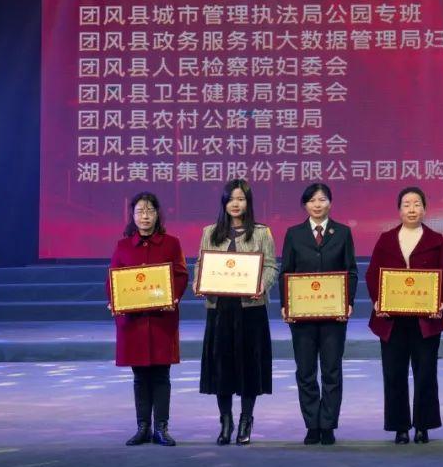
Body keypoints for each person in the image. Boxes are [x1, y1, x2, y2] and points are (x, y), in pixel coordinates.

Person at [366, 187, 443, 445]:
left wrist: (439, 301)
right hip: (391, 320)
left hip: (425, 319)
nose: (412, 209)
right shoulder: (386, 239)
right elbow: (373, 273)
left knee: (425, 373)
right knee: (394, 373)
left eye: (417, 204)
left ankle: (423, 426)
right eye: (407, 204)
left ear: (425, 209)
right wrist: (378, 302)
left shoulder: (436, 239)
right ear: (399, 210)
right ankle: (400, 427)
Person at [195, 179, 278, 446]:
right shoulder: (210, 232)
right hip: (220, 310)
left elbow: (271, 267)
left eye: (240, 198)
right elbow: (201, 264)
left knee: (249, 367)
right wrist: (199, 282)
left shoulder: (262, 233)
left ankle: (246, 419)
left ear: (248, 202)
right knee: (222, 367)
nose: (235, 203)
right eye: (231, 198)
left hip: (250, 310)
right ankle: (226, 421)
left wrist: (262, 285)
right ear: (224, 202)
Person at [107, 192, 189, 447]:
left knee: (162, 375)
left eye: (150, 211)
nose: (145, 216)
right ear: (132, 216)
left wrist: (172, 297)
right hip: (134, 322)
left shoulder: (171, 243)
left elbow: (181, 275)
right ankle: (143, 427)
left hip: (162, 320)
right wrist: (115, 300)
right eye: (140, 211)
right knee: (140, 376)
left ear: (157, 214)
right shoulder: (123, 246)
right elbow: (113, 278)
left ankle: (161, 428)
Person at [280, 182, 359, 445]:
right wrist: (286, 305)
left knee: (331, 370)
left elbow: (351, 271)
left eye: (322, 199)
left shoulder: (343, 232)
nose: (317, 204)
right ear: (305, 205)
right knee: (305, 371)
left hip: (333, 315)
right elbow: (286, 272)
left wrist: (348, 302)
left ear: (330, 203)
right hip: (302, 315)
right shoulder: (294, 234)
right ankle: (312, 424)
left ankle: (328, 424)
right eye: (312, 200)